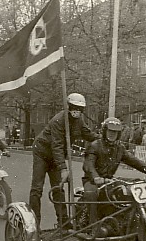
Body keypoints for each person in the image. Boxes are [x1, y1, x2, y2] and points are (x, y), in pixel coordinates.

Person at [82, 117, 146, 235]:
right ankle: (93, 226)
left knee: (131, 189)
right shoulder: (95, 145)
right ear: (104, 131)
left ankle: (126, 224)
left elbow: (134, 161)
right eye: (110, 131)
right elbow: (88, 165)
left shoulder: (119, 148)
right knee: (92, 193)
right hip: (92, 181)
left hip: (109, 180)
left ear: (118, 134)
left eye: (115, 132)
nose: (112, 134)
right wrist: (95, 177)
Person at [29, 92, 99, 229]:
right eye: (74, 107)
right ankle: (34, 223)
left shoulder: (79, 121)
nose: (76, 111)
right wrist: (63, 168)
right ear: (68, 106)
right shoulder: (58, 120)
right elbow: (57, 145)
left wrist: (103, 139)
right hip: (42, 153)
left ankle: (64, 222)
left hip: (56, 156)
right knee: (37, 188)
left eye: (80, 109)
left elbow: (87, 134)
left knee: (58, 188)